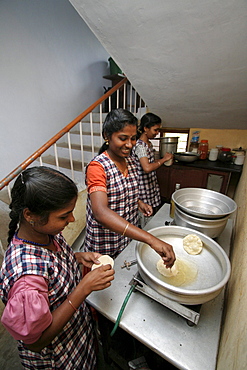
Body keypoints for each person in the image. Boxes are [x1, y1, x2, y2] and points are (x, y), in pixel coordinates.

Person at [0, 166, 115, 370]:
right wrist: (84, 288)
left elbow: (52, 263)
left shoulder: (44, 234)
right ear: (30, 215)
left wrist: (77, 258)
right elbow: (36, 342)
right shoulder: (26, 281)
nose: (71, 220)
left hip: (77, 338)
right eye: (64, 216)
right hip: (59, 359)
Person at [83, 108, 176, 265]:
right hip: (105, 241)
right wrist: (150, 239)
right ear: (107, 136)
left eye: (133, 139)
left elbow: (122, 189)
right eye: (123, 138)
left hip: (125, 238)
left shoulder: (131, 162)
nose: (129, 144)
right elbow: (101, 213)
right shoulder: (97, 167)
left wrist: (138, 202)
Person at [132, 112, 173, 215]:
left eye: (158, 130)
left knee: (152, 213)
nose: (157, 132)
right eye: (155, 130)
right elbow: (147, 167)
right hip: (142, 187)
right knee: (145, 214)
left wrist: (159, 161)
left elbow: (150, 162)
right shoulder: (140, 146)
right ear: (146, 128)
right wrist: (164, 159)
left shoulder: (148, 144)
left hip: (150, 184)